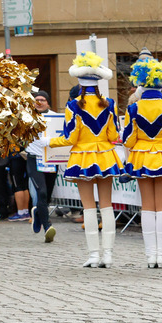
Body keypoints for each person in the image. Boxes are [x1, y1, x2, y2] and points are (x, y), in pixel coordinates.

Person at [48, 53, 122, 266]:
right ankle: (108, 255)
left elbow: (70, 138)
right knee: (107, 206)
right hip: (106, 156)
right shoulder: (109, 103)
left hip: (82, 158)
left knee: (88, 207)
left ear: (79, 83)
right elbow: (112, 135)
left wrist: (49, 142)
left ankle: (93, 255)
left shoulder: (73, 106)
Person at [122, 57, 162, 268]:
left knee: (147, 207)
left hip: (141, 157)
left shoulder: (133, 108)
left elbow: (128, 140)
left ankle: (151, 257)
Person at [24, 90, 59, 243]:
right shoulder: (27, 117)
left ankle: (38, 212)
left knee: (48, 195)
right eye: (36, 100)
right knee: (42, 192)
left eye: (42, 100)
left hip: (51, 160)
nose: (39, 102)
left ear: (48, 102)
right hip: (34, 158)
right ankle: (47, 227)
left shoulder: (56, 117)